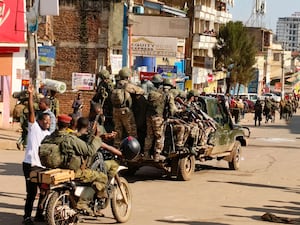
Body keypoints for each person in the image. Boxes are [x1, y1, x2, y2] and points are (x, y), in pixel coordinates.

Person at [41, 114, 107, 216]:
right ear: (68, 125)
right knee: (102, 177)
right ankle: (83, 203)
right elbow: (90, 151)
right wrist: (97, 138)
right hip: (74, 171)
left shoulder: (49, 137)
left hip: (53, 168)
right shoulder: (70, 139)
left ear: (58, 124)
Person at [22, 84, 51, 225]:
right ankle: (27, 217)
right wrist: (30, 95)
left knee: (45, 191)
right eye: (45, 121)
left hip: (42, 166)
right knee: (31, 193)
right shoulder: (34, 128)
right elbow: (31, 111)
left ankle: (39, 214)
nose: (48, 123)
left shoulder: (48, 134)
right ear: (39, 121)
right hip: (30, 165)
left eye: (49, 121)